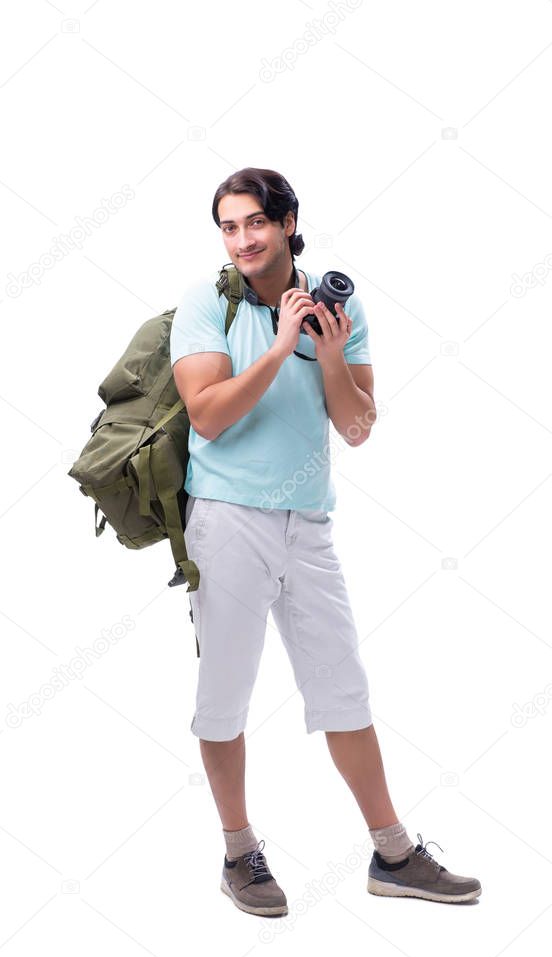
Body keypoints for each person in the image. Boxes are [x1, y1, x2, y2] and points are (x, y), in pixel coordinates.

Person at [169, 167, 481, 916]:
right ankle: (239, 853)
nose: (242, 239)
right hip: (226, 520)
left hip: (307, 523)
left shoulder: (339, 305)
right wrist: (278, 348)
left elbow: (357, 427)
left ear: (286, 222)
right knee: (224, 701)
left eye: (254, 223)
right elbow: (207, 415)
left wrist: (329, 352)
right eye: (229, 226)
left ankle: (393, 852)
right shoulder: (204, 304)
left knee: (344, 690)